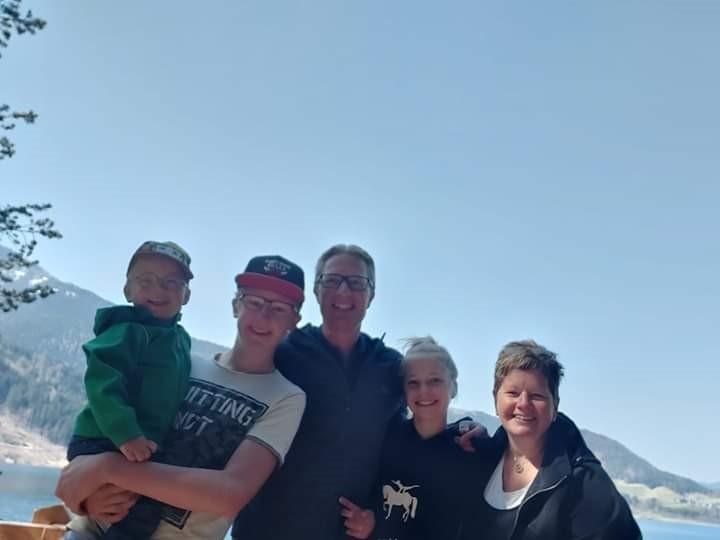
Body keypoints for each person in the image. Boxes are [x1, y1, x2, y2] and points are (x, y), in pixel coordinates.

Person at [56, 255, 308, 540]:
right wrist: (86, 499)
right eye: (254, 302)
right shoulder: (179, 363)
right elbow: (100, 430)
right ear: (235, 305)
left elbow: (229, 494)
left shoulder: (285, 398)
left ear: (294, 320)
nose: (263, 316)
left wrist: (107, 468)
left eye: (279, 308)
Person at [231, 244, 406, 540]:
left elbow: (403, 448)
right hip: (264, 530)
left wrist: (378, 515)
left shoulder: (391, 366)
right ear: (316, 290)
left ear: (371, 295)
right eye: (332, 280)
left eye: (356, 283)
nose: (343, 291)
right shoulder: (282, 352)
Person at [67, 240, 195, 540]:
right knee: (131, 513)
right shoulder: (125, 331)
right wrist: (126, 434)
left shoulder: (181, 340)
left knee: (144, 510)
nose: (157, 290)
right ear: (127, 290)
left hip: (139, 447)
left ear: (186, 295)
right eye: (145, 280)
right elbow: (102, 382)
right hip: (105, 441)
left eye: (171, 283)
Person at [459, 340, 642, 540]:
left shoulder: (583, 484)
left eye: (536, 396)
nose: (523, 404)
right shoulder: (480, 457)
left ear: (555, 406)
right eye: (513, 393)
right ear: (496, 398)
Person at [340, 337, 481, 540]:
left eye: (434, 380)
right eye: (413, 383)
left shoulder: (467, 446)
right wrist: (368, 521)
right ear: (403, 391)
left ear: (454, 387)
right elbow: (370, 495)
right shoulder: (386, 439)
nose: (424, 391)